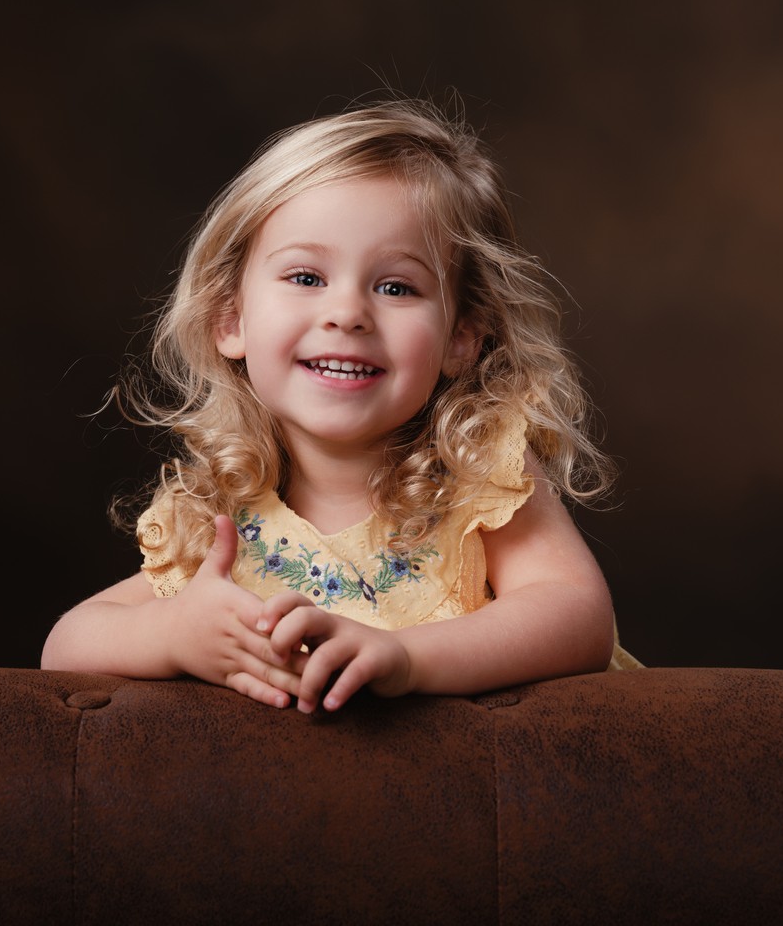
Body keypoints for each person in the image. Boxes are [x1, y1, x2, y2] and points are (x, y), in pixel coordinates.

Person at [42, 98, 639, 712]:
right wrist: (171, 635)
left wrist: (409, 658)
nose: (347, 313)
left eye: (395, 287)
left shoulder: (479, 469)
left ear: (461, 337)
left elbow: (576, 615)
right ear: (230, 318)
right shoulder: (218, 512)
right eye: (305, 277)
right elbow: (66, 645)